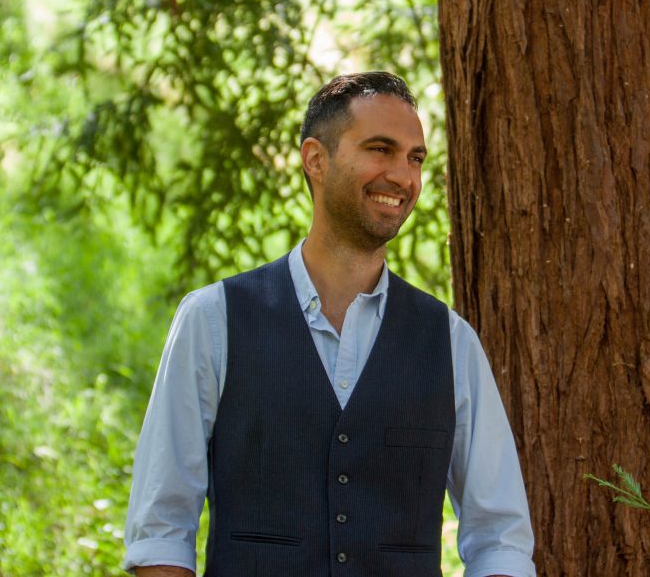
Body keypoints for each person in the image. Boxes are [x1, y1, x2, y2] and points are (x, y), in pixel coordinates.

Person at [123, 72, 536, 577]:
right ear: (316, 159)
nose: (403, 177)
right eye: (380, 149)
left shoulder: (450, 342)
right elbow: (161, 532)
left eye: (415, 158)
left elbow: (500, 539)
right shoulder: (213, 320)